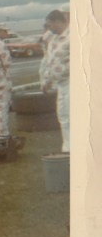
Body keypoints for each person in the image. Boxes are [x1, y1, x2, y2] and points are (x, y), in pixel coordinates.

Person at [41, 10, 70, 153]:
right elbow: (50, 63)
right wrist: (46, 81)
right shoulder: (53, 40)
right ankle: (68, 148)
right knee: (63, 116)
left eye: (51, 25)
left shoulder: (74, 36)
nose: (49, 28)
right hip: (61, 85)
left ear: (59, 21)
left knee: (74, 115)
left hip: (74, 83)